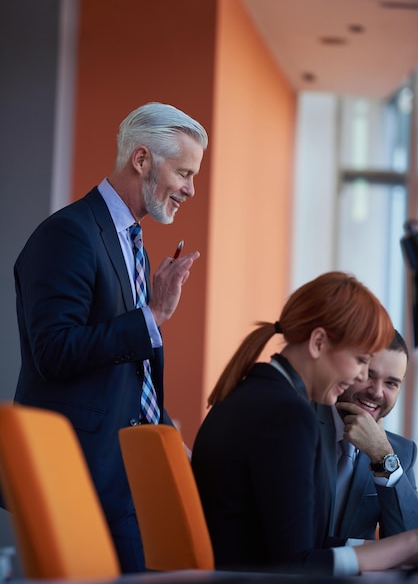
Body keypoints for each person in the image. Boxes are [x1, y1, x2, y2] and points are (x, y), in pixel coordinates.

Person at [12, 102, 208, 573]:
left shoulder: (129, 240)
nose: (190, 189)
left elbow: (126, 370)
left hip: (128, 475)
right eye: (183, 172)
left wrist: (164, 430)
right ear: (141, 160)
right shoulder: (69, 234)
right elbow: (54, 351)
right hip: (82, 475)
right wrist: (153, 314)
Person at [191, 271, 418, 576]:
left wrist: (403, 546)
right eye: (362, 361)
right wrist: (406, 546)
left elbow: (299, 543)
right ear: (319, 342)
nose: (364, 379)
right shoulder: (288, 417)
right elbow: (294, 563)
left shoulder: (254, 394)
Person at [316, 330, 418, 542]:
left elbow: (409, 541)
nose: (377, 392)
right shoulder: (302, 424)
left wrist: (381, 456)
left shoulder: (400, 452)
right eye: (369, 375)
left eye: (391, 383)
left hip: (355, 575)